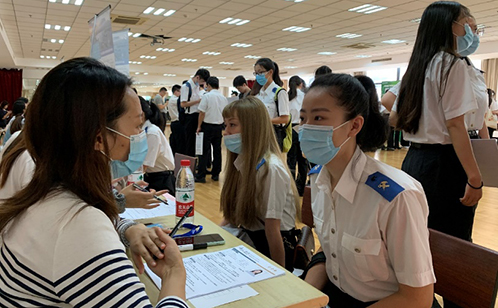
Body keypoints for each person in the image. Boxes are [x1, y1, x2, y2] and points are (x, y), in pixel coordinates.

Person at [0, 57, 188, 307]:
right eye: (137, 126)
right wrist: (174, 274)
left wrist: (124, 228)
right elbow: (79, 231)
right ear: (98, 139)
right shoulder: (76, 223)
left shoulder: (46, 190)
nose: (140, 136)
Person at [301, 73, 435, 308]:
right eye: (303, 118)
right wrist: (304, 296)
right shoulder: (320, 182)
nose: (306, 128)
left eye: (319, 117)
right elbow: (331, 247)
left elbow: (417, 298)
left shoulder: (396, 196)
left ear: (354, 125)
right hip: (338, 296)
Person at [392, 1, 485, 246]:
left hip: (414, 161)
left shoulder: (418, 65)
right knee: (453, 241)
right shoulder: (451, 64)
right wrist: (475, 178)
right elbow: (455, 126)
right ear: (449, 26)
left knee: (420, 237)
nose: (470, 31)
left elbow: (395, 118)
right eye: (466, 23)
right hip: (445, 165)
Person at [220, 97, 300, 271]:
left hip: (271, 247)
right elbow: (231, 217)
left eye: (232, 125)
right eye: (225, 126)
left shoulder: (271, 169)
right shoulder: (243, 162)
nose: (226, 132)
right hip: (252, 238)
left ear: (252, 128)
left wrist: (279, 276)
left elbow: (273, 231)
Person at [196, 77, 228, 183]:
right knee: (217, 150)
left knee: (204, 151)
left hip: (207, 126)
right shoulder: (223, 98)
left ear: (208, 85)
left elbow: (202, 112)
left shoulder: (207, 96)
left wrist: (199, 126)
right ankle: (216, 174)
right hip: (219, 127)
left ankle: (201, 176)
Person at [140, 97, 176, 194]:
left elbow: (144, 166)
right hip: (150, 177)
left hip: (161, 181)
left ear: (141, 115)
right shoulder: (142, 131)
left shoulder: (151, 133)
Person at [253, 58, 290, 151]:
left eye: (261, 72)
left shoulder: (280, 92)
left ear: (270, 72)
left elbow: (285, 118)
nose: (258, 76)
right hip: (258, 132)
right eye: (256, 73)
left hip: (273, 133)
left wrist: (266, 121)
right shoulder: (258, 93)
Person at [180, 69, 210, 157]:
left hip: (197, 115)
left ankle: (194, 162)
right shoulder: (186, 86)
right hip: (190, 116)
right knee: (190, 142)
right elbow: (183, 104)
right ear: (197, 77)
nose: (202, 83)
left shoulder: (196, 86)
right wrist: (198, 101)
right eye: (202, 81)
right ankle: (189, 163)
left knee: (197, 142)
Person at [286, 75, 308, 195]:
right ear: (301, 84)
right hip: (303, 129)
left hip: (290, 129)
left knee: (291, 160)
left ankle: (291, 188)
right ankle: (301, 188)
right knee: (303, 161)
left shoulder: (286, 96)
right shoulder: (305, 97)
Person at [168, 84, 185, 155]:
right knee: (179, 142)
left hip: (175, 123)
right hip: (177, 122)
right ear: (176, 91)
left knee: (177, 141)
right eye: (180, 92)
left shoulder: (173, 99)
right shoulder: (174, 100)